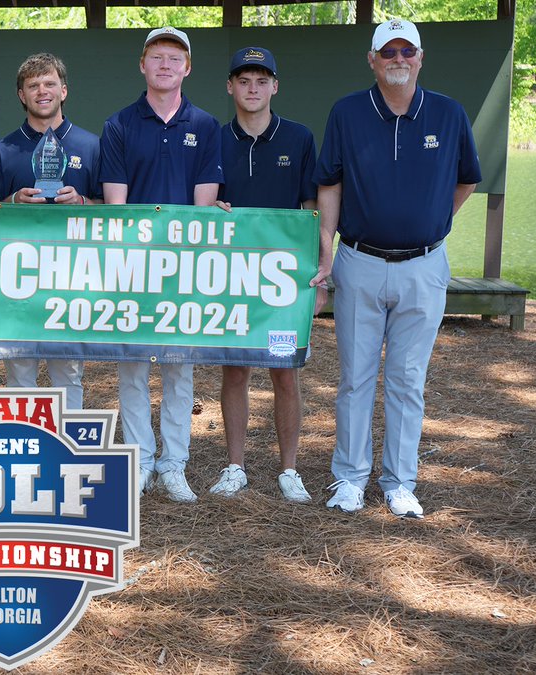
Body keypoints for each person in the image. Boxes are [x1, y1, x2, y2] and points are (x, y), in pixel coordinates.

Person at [309, 19, 481, 517]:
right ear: (373, 59)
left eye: (408, 51)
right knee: (355, 379)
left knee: (408, 380)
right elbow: (330, 186)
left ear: (420, 58)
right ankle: (349, 479)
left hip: (424, 268)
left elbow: (466, 180)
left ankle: (400, 481)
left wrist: (431, 220)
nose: (398, 59)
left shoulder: (448, 114)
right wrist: (327, 252)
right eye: (389, 52)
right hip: (359, 261)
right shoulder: (347, 113)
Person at [99, 27, 224, 503]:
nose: (166, 64)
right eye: (157, 57)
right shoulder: (120, 125)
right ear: (143, 65)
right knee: (131, 367)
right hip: (131, 266)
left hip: (184, 268)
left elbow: (204, 206)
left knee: (178, 368)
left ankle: (174, 465)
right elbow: (115, 206)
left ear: (187, 67)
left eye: (175, 57)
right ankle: (138, 461)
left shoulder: (206, 125)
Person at [210, 47, 318, 503]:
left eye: (262, 80)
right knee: (235, 371)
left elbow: (311, 210)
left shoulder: (299, 138)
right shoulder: (215, 138)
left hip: (283, 280)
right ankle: (235, 466)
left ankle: (288, 469)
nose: (252, 89)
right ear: (231, 86)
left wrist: (317, 271)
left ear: (275, 86)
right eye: (244, 80)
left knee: (285, 373)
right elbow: (204, 203)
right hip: (233, 277)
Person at [0, 52, 101, 409]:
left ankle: (67, 453)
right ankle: (26, 451)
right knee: (19, 369)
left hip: (71, 274)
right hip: (17, 276)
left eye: (49, 83)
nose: (42, 91)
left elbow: (111, 208)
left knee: (67, 371)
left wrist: (82, 202)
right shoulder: (3, 150)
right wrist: (12, 199)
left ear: (63, 90)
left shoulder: (90, 145)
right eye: (33, 85)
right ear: (22, 95)